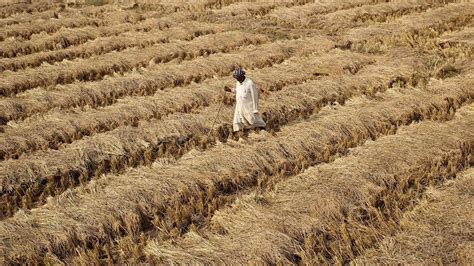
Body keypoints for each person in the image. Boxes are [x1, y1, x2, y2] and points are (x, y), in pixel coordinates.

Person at [224, 68, 266, 132]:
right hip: (240, 105)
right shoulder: (238, 82)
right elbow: (238, 91)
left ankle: (261, 129)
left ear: (242, 76)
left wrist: (255, 109)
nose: (237, 79)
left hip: (248, 106)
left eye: (238, 77)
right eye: (236, 78)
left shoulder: (250, 83)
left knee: (253, 120)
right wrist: (230, 90)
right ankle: (239, 132)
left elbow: (255, 96)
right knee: (237, 120)